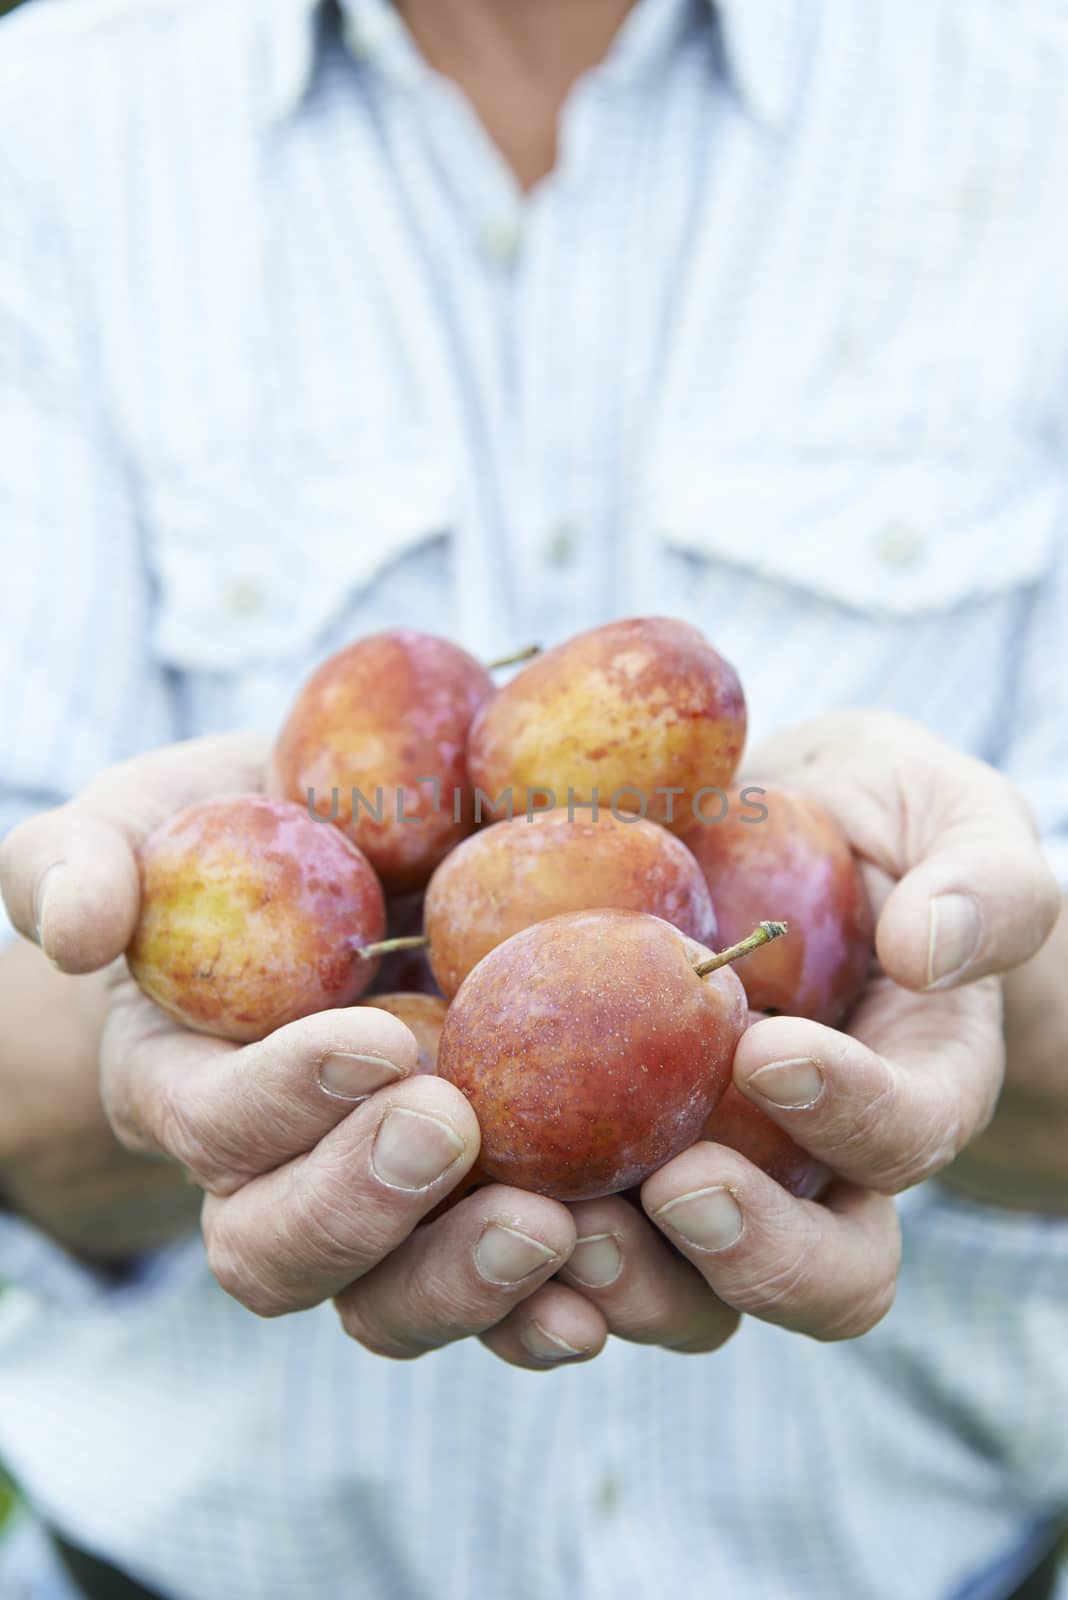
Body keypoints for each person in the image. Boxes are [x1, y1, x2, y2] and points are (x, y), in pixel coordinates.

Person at [0, 1, 1066, 1597]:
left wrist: (980, 984)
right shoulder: (55, 125)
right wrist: (120, 1046)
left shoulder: (1029, 95)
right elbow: (21, 1048)